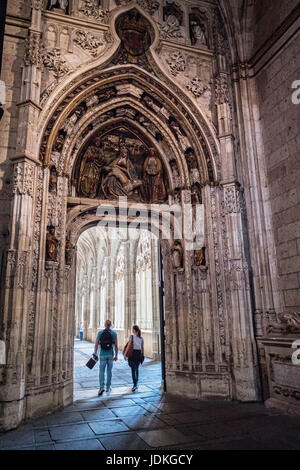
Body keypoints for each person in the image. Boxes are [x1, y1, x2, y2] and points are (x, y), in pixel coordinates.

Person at [93, 320, 118, 396]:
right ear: (111, 325)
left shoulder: (100, 333)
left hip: (102, 354)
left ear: (104, 325)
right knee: (109, 371)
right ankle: (108, 387)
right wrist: (116, 355)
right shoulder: (114, 334)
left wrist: (95, 353)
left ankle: (101, 387)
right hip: (110, 354)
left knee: (101, 371)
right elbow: (116, 346)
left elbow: (96, 344)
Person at [124, 325, 144, 392]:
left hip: (133, 354)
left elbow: (129, 346)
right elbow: (142, 348)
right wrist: (142, 355)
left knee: (133, 369)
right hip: (138, 354)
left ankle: (134, 384)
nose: (132, 331)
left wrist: (125, 354)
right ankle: (136, 383)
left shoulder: (131, 337)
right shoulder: (141, 338)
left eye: (133, 329)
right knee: (136, 369)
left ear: (134, 330)